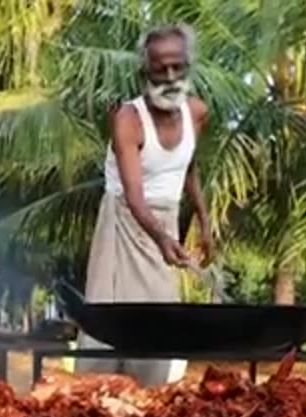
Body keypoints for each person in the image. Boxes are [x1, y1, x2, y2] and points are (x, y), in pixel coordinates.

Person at [74, 23, 214, 387]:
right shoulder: (128, 120)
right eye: (160, 68)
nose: (169, 77)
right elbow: (134, 195)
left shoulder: (197, 113)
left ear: (188, 67)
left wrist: (203, 218)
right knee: (110, 320)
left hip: (164, 221)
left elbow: (188, 166)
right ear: (145, 71)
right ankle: (91, 402)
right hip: (125, 222)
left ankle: (148, 401)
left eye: (177, 67)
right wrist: (162, 238)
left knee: (159, 319)